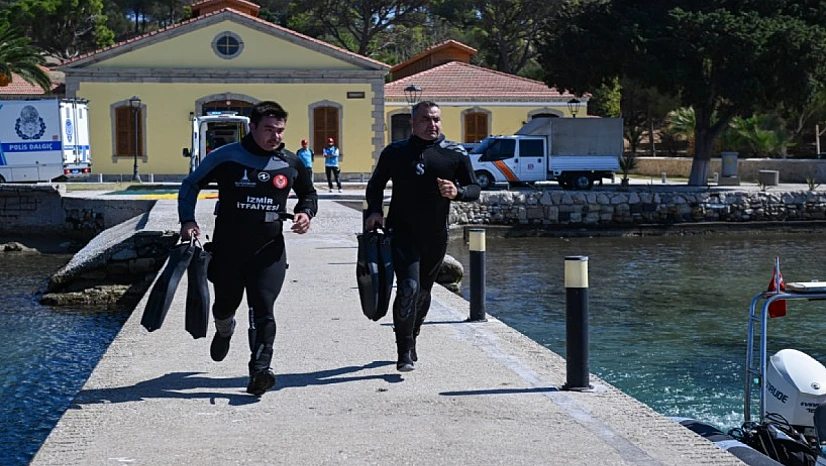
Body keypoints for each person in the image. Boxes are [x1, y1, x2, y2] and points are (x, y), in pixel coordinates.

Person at [178, 101, 318, 396]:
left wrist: (306, 213)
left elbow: (308, 193)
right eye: (268, 129)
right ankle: (224, 329)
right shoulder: (226, 157)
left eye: (279, 130)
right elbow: (191, 185)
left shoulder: (291, 163)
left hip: (269, 250)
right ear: (252, 127)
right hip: (229, 249)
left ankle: (260, 371)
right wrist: (187, 220)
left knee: (263, 308)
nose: (275, 136)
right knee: (225, 305)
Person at [364, 101, 480, 372]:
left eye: (437, 119)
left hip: (435, 235)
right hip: (401, 231)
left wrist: (458, 192)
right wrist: (374, 211)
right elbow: (376, 184)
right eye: (426, 120)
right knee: (408, 287)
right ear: (413, 123)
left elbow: (475, 187)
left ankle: (413, 335)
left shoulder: (455, 153)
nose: (433, 125)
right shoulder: (395, 152)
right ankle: (403, 351)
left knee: (423, 292)